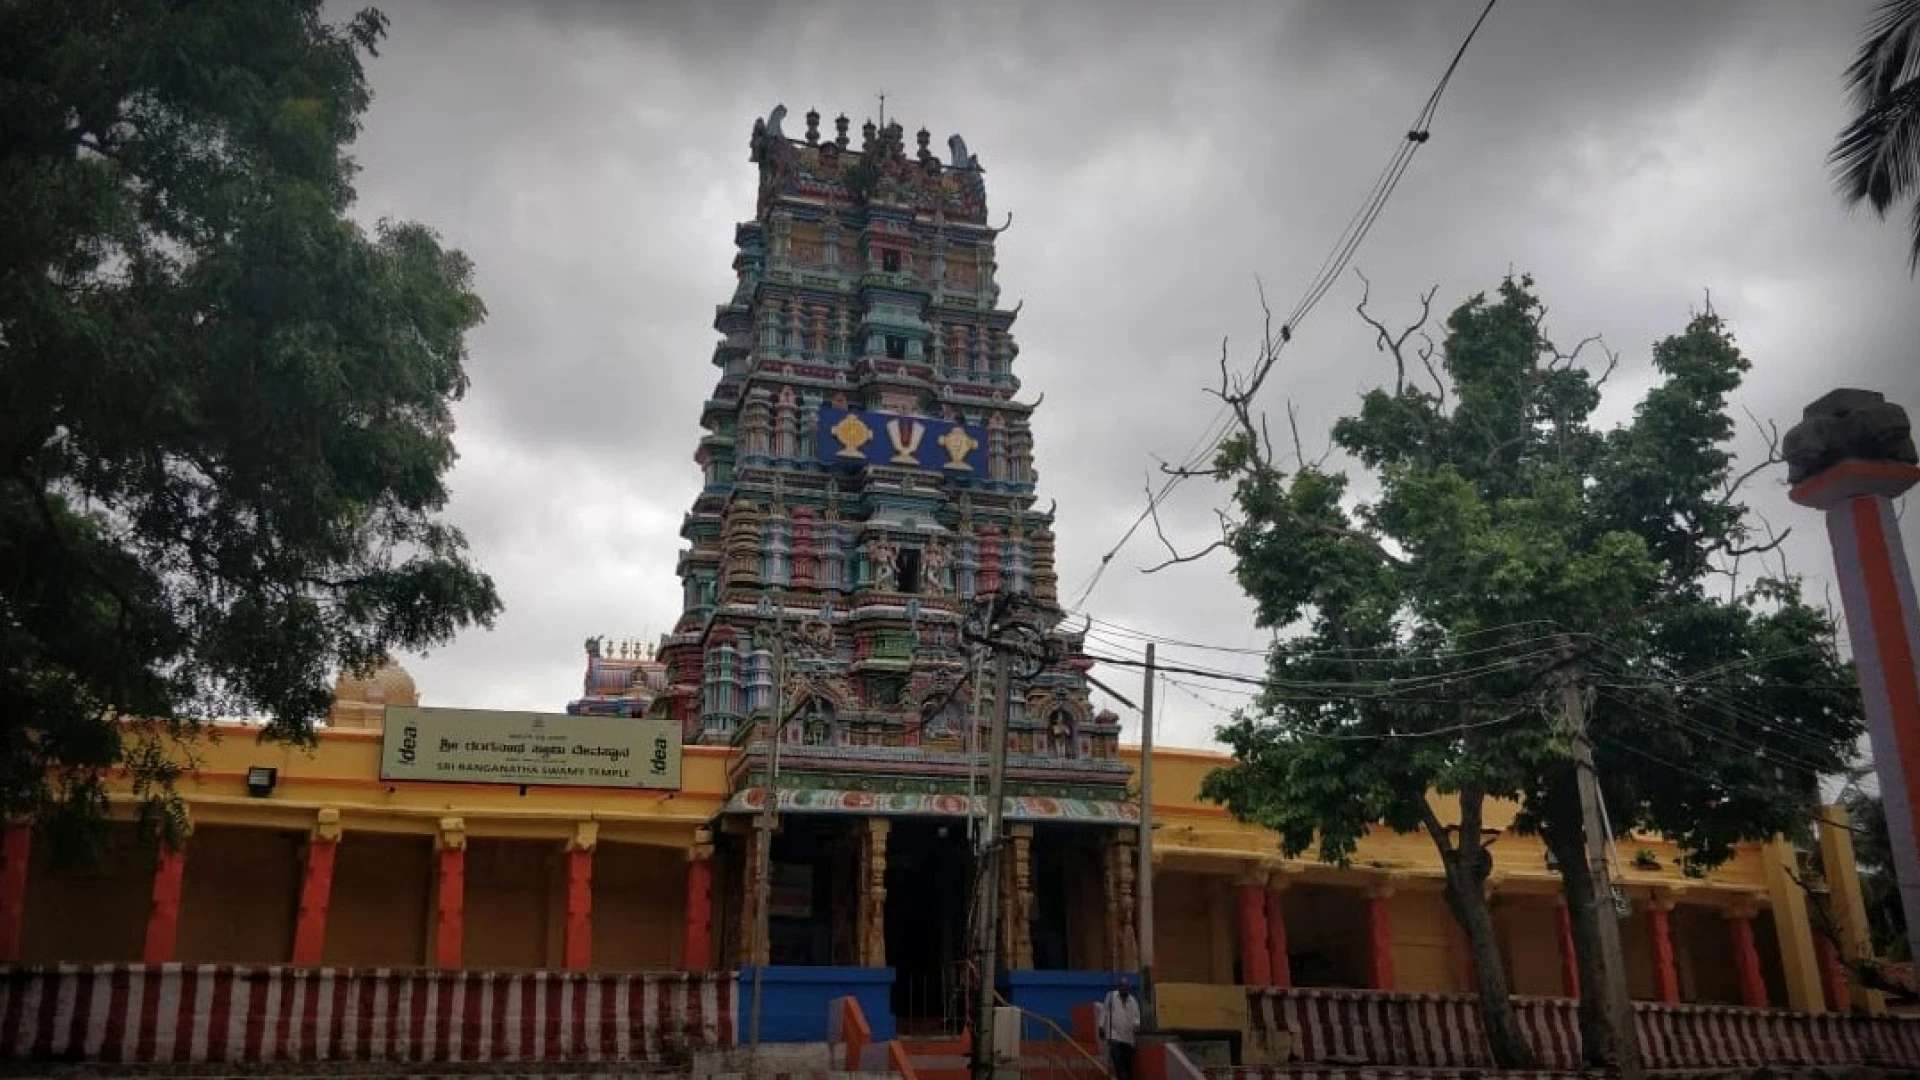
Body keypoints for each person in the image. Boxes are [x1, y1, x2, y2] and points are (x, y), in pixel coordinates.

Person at [1098, 977, 1141, 1080]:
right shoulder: (1111, 996)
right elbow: (1104, 1011)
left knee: (1127, 1065)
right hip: (1114, 1036)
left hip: (1128, 1038)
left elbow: (1136, 1017)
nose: (1124, 989)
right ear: (1118, 987)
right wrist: (1101, 1026)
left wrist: (1136, 1025)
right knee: (1118, 1063)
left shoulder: (1133, 1001)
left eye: (1126, 987)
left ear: (1128, 988)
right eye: (1122, 986)